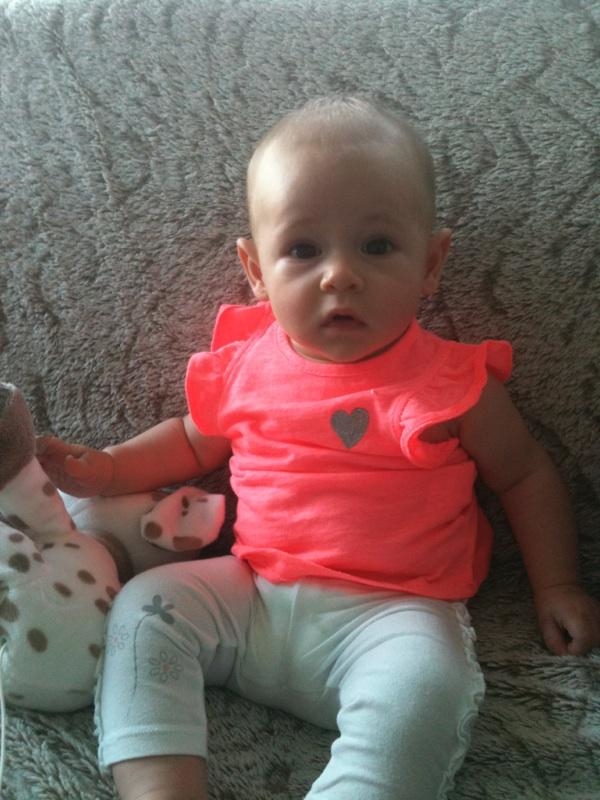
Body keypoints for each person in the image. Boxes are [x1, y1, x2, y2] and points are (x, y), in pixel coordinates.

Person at [37, 96, 600, 800]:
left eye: (377, 246)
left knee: (426, 688)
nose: (339, 275)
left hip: (395, 617)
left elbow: (524, 476)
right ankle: (160, 784)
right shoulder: (247, 364)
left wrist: (557, 585)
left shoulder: (453, 384)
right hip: (252, 598)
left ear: (431, 263)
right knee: (148, 609)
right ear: (255, 269)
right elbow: (188, 441)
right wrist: (110, 469)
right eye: (303, 250)